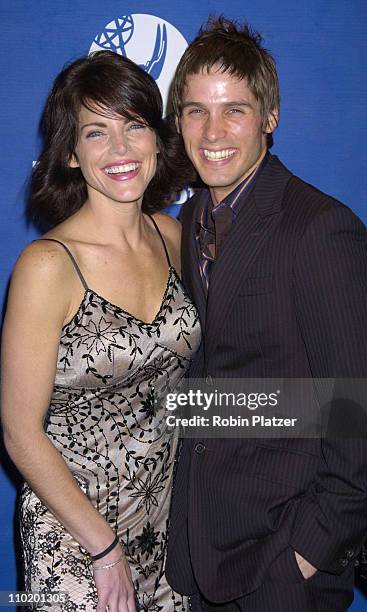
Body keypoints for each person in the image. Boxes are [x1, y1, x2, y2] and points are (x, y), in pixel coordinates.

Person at [165, 16, 367, 612]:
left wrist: (305, 555)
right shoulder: (188, 223)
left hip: (281, 564)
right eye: (195, 110)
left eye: (234, 110)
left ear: (270, 118)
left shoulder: (320, 228)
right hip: (202, 552)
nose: (212, 130)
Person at [1, 50, 200, 612]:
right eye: (96, 132)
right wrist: (104, 550)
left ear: (157, 140)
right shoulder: (47, 266)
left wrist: (347, 409)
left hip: (165, 524)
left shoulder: (172, 236)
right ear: (69, 153)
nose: (120, 150)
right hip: (75, 532)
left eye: (134, 126)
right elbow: (20, 432)